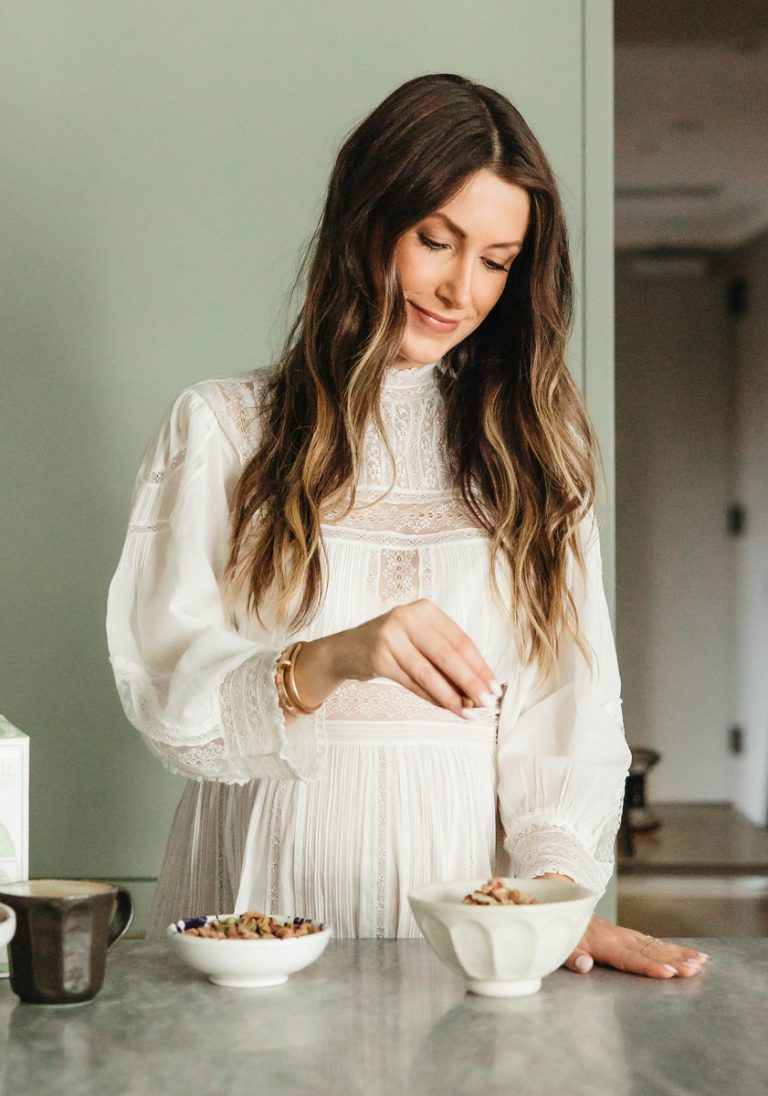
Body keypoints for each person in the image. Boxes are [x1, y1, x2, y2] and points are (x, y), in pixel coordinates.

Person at [107, 73, 709, 979]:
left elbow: (566, 724)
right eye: (437, 240)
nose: (462, 289)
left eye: (498, 260)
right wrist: (331, 656)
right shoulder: (226, 430)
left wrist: (547, 900)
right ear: (367, 220)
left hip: (465, 928)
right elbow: (175, 715)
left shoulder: (538, 460)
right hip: (259, 913)